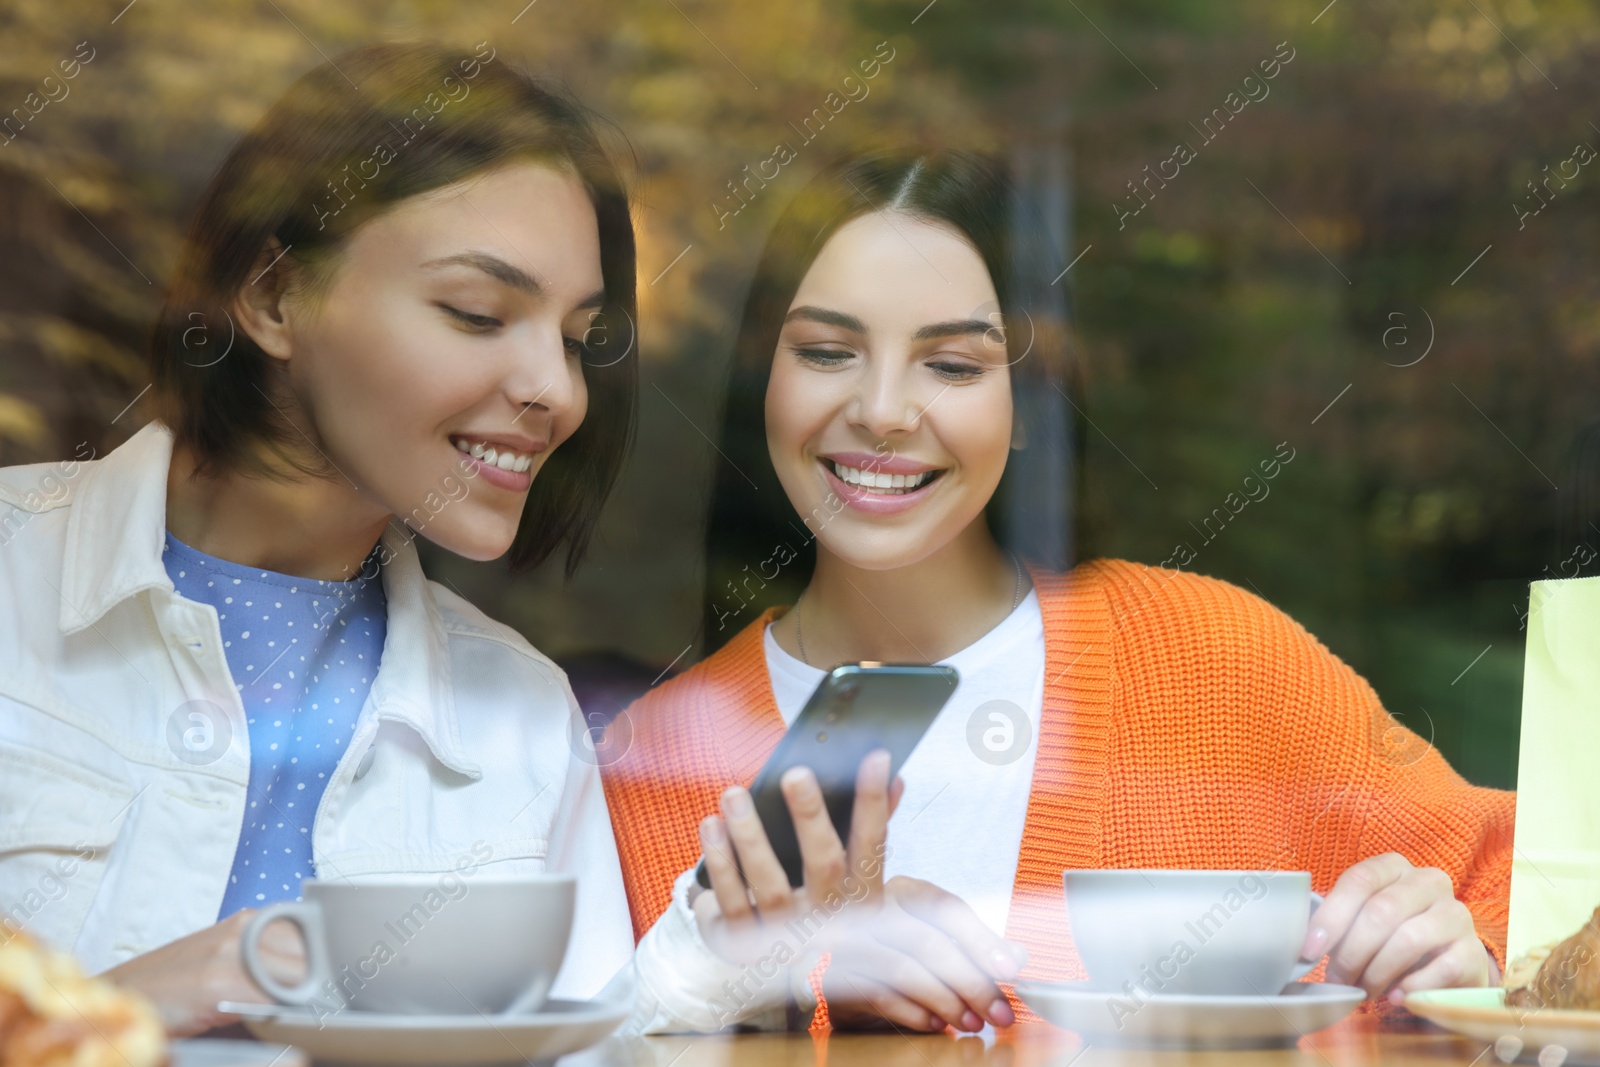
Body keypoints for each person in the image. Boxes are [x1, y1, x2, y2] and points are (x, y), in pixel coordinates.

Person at [600, 149, 1517, 1033]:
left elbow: (1529, 896)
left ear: (1034, 401)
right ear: (767, 376)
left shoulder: (1223, 663)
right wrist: (814, 1006)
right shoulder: (652, 766)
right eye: (827, 351)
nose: (881, 409)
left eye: (954, 365)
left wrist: (1473, 976)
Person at [0, 41, 646, 1036]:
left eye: (576, 337)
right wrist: (119, 1011)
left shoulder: (521, 715)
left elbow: (597, 1046)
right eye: (479, 312)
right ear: (271, 298)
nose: (557, 391)